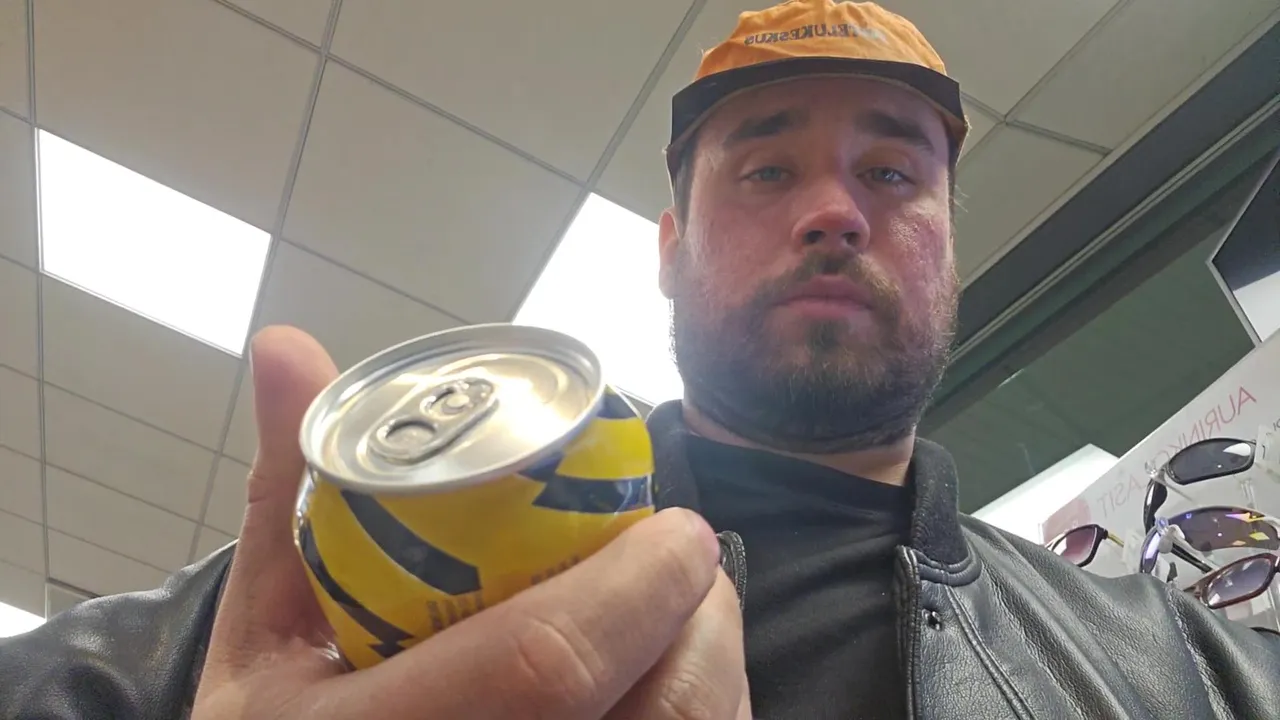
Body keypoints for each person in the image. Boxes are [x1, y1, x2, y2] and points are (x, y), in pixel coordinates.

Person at [3, 1, 1279, 718]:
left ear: (949, 245)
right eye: (765, 169)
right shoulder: (390, 555)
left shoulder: (1174, 665)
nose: (832, 210)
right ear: (668, 250)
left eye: (892, 173)